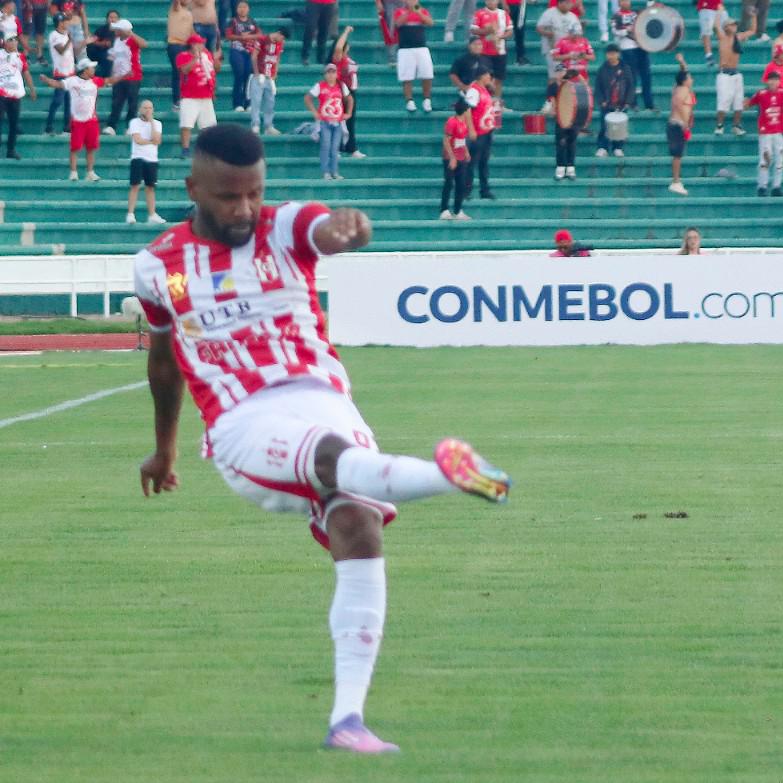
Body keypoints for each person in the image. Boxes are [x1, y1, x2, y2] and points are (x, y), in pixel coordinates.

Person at [133, 123, 512, 754]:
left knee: (358, 522)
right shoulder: (156, 266)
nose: (245, 209)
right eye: (229, 197)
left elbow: (327, 227)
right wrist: (165, 448)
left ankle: (348, 721)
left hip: (325, 399)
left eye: (254, 193)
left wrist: (347, 230)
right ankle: (449, 473)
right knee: (337, 462)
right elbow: (165, 361)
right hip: (242, 424)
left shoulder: (284, 226)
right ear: (193, 187)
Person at [38, 56, 121, 180]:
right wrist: (47, 80)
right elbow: (58, 84)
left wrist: (123, 76)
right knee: (75, 148)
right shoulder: (73, 81)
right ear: (84, 70)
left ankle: (90, 172)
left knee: (91, 148)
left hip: (91, 120)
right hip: (77, 121)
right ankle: (73, 172)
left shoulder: (95, 81)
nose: (93, 70)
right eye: (91, 68)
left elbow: (108, 80)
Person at [305, 62, 352, 180]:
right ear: (325, 74)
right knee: (326, 145)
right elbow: (307, 98)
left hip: (337, 121)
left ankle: (334, 171)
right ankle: (326, 171)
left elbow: (350, 99)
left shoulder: (341, 86)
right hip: (325, 121)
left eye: (333, 72)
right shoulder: (320, 86)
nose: (331, 75)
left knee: (335, 147)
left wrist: (348, 113)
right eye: (328, 72)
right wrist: (315, 112)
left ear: (337, 74)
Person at [176, 32, 218, 158]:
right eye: (199, 43)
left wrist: (216, 58)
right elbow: (184, 70)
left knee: (208, 126)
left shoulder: (207, 56)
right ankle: (185, 149)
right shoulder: (182, 56)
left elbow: (214, 70)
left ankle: (206, 150)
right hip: (190, 96)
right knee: (186, 124)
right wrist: (195, 58)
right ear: (193, 44)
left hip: (205, 95)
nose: (202, 45)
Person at [746, 69, 783, 196]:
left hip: (778, 131)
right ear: (767, 81)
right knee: (765, 159)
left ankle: (776, 186)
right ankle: (762, 186)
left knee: (779, 160)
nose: (774, 82)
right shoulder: (761, 94)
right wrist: (744, 103)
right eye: (772, 80)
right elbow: (749, 104)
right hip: (765, 132)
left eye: (776, 80)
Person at [125, 99, 165, 224]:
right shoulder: (134, 123)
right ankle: (130, 213)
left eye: (150, 108)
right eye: (145, 108)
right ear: (140, 109)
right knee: (135, 186)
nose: (148, 110)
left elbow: (157, 140)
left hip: (152, 159)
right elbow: (138, 140)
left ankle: (152, 214)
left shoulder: (157, 123)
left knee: (150, 187)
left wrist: (151, 121)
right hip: (138, 157)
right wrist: (151, 142)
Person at [536, 0, 580, 111]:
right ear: (559, 3)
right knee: (555, 76)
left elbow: (578, 33)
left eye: (569, 3)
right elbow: (539, 28)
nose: (567, 5)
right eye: (564, 3)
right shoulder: (549, 13)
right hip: (552, 51)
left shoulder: (573, 17)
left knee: (565, 77)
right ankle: (550, 103)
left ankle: (563, 102)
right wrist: (548, 33)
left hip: (568, 53)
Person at [103, 19, 143, 135]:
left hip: (133, 77)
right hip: (118, 78)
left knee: (132, 103)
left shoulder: (132, 41)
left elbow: (144, 44)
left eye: (118, 29)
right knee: (116, 103)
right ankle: (111, 126)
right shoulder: (116, 41)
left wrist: (131, 34)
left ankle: (130, 126)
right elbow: (114, 60)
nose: (115, 31)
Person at [712, 15, 752, 136]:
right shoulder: (722, 37)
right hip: (724, 73)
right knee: (723, 101)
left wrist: (754, 16)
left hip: (736, 73)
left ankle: (736, 125)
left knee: (738, 102)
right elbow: (715, 26)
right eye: (732, 24)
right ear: (726, 27)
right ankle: (720, 125)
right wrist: (718, 11)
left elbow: (752, 31)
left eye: (735, 24)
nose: (734, 26)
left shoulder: (738, 37)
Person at [611, 0, 652, 112]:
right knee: (632, 76)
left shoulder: (636, 13)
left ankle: (649, 104)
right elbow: (615, 31)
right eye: (623, 0)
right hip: (627, 47)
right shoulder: (617, 16)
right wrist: (626, 30)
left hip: (641, 46)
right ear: (619, 3)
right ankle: (633, 103)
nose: (626, 2)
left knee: (646, 76)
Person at [0, 32, 36, 159]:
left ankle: (11, 150)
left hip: (15, 95)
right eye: (11, 40)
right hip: (1, 93)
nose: (14, 42)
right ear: (5, 42)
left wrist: (32, 89)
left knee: (13, 123)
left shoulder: (20, 57)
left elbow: (26, 73)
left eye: (15, 39)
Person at [329, 26, 363, 158]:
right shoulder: (338, 60)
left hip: (351, 93)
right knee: (337, 121)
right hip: (341, 92)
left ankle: (351, 147)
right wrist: (346, 32)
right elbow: (338, 48)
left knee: (350, 121)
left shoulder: (348, 59)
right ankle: (336, 148)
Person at [593, 42, 632, 157]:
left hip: (621, 103)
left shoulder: (625, 68)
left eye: (613, 53)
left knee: (619, 127)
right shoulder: (602, 69)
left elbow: (630, 86)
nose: (611, 56)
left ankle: (618, 147)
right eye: (609, 53)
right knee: (604, 126)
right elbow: (598, 87)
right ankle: (602, 147)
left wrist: (628, 101)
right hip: (607, 103)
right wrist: (601, 101)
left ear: (618, 54)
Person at [393, 0, 433, 113]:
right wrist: (409, 12)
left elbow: (430, 23)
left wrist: (418, 13)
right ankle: (409, 101)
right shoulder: (399, 12)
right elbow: (397, 23)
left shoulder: (422, 11)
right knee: (407, 76)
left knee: (427, 73)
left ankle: (427, 100)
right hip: (405, 49)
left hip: (421, 47)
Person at [470, 0, 511, 106]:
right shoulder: (479, 13)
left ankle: (497, 102)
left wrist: (501, 37)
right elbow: (474, 31)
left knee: (499, 78)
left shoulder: (503, 14)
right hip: (484, 52)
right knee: (484, 77)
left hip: (500, 51)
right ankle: (485, 102)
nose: (491, 2)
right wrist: (487, 31)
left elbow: (510, 31)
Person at [464, 66, 495, 198]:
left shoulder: (484, 90)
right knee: (472, 162)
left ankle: (484, 189)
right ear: (481, 76)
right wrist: (471, 129)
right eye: (487, 74)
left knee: (484, 161)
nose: (489, 77)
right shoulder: (474, 91)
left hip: (486, 131)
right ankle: (466, 190)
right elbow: (467, 109)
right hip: (478, 132)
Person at [440, 97, 473, 219]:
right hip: (450, 157)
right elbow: (446, 140)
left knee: (460, 184)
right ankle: (444, 210)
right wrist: (452, 158)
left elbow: (461, 140)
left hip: (461, 158)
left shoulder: (463, 123)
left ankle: (458, 210)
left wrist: (466, 152)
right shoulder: (451, 122)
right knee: (448, 183)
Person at [248, 26, 284, 135]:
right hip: (260, 75)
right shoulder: (263, 40)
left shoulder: (280, 43)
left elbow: (277, 58)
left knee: (270, 102)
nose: (282, 40)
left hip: (269, 76)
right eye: (282, 37)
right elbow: (254, 56)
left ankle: (268, 125)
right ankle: (255, 124)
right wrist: (256, 73)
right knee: (256, 101)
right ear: (278, 32)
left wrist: (275, 73)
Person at [224, 0, 258, 111]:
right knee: (239, 75)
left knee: (248, 76)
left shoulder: (252, 21)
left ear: (248, 9)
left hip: (249, 52)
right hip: (236, 50)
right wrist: (241, 37)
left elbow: (260, 34)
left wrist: (250, 36)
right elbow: (228, 35)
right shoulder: (233, 21)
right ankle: (237, 103)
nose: (242, 9)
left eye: (244, 7)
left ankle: (248, 102)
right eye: (240, 7)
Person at [667, 54, 694, 195]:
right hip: (677, 124)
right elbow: (677, 103)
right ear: (685, 81)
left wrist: (682, 62)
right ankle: (675, 181)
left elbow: (684, 73)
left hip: (676, 124)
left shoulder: (679, 87)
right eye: (689, 78)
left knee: (679, 154)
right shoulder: (682, 90)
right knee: (677, 155)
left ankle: (677, 180)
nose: (692, 79)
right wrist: (685, 123)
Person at [43, 12, 72, 134]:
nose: (67, 22)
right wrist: (70, 39)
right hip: (60, 73)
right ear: (60, 22)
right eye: (65, 21)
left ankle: (67, 128)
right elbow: (61, 50)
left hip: (70, 73)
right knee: (58, 101)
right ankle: (48, 127)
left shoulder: (66, 35)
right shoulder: (54, 35)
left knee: (69, 103)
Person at [553, 67, 583, 180]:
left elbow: (584, 88)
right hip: (560, 118)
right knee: (560, 143)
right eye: (558, 72)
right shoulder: (553, 86)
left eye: (562, 71)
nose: (560, 74)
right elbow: (553, 103)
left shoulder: (572, 85)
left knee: (572, 143)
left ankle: (571, 168)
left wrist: (577, 75)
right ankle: (560, 167)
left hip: (573, 118)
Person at [166, 0, 193, 110]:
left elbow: (191, 31)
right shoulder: (175, 8)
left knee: (186, 73)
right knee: (178, 73)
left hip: (186, 45)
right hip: (175, 44)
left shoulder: (189, 13)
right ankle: (177, 101)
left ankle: (185, 98)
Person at [84, 7, 116, 78]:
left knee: (108, 57)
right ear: (107, 19)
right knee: (88, 48)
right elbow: (93, 40)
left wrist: (104, 43)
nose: (112, 19)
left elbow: (111, 44)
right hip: (99, 52)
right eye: (110, 17)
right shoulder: (102, 29)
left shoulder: (120, 31)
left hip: (112, 54)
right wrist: (101, 43)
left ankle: (106, 79)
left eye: (114, 18)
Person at [301, 0, 336, 65]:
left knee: (324, 30)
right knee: (310, 27)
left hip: (329, 3)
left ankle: (321, 57)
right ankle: (305, 56)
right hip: (313, 2)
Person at [696, 0, 724, 66]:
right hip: (706, 6)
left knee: (725, 29)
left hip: (718, 6)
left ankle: (724, 56)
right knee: (706, 31)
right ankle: (709, 56)